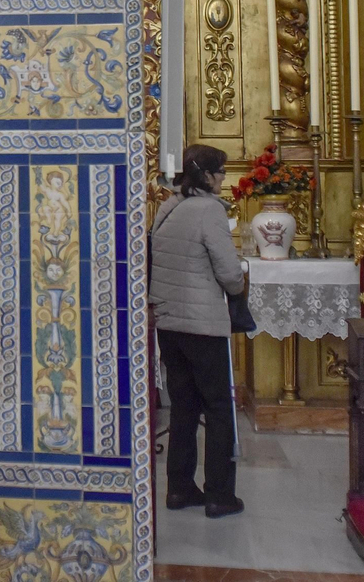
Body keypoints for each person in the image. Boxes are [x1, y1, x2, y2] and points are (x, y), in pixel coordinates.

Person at [150, 143, 244, 518]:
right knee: (219, 408)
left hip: (170, 322)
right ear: (206, 175)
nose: (223, 178)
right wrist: (238, 286)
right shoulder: (209, 210)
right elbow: (229, 272)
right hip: (203, 325)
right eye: (220, 172)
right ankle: (219, 494)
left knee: (184, 407)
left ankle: (178, 489)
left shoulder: (168, 207)